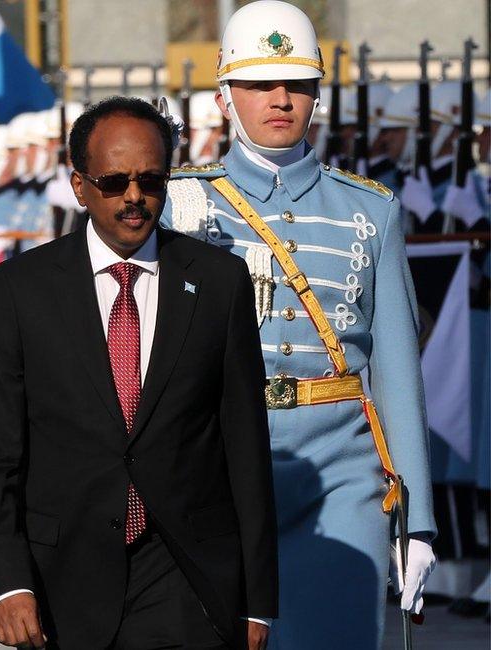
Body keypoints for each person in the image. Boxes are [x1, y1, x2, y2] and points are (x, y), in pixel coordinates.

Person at [163, 3, 436, 648]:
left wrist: (418, 516)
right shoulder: (179, 203)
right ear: (226, 96)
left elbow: (397, 369)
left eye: (297, 85)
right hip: (217, 461)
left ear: (317, 94)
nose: (280, 99)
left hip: (340, 466)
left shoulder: (369, 210)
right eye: (260, 83)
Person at [0, 95, 278, 650]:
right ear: (80, 185)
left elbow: (245, 447)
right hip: (62, 583)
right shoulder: (22, 289)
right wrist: (7, 584)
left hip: (187, 578)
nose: (133, 198)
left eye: (150, 180)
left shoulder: (219, 283)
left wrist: (259, 599)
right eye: (114, 182)